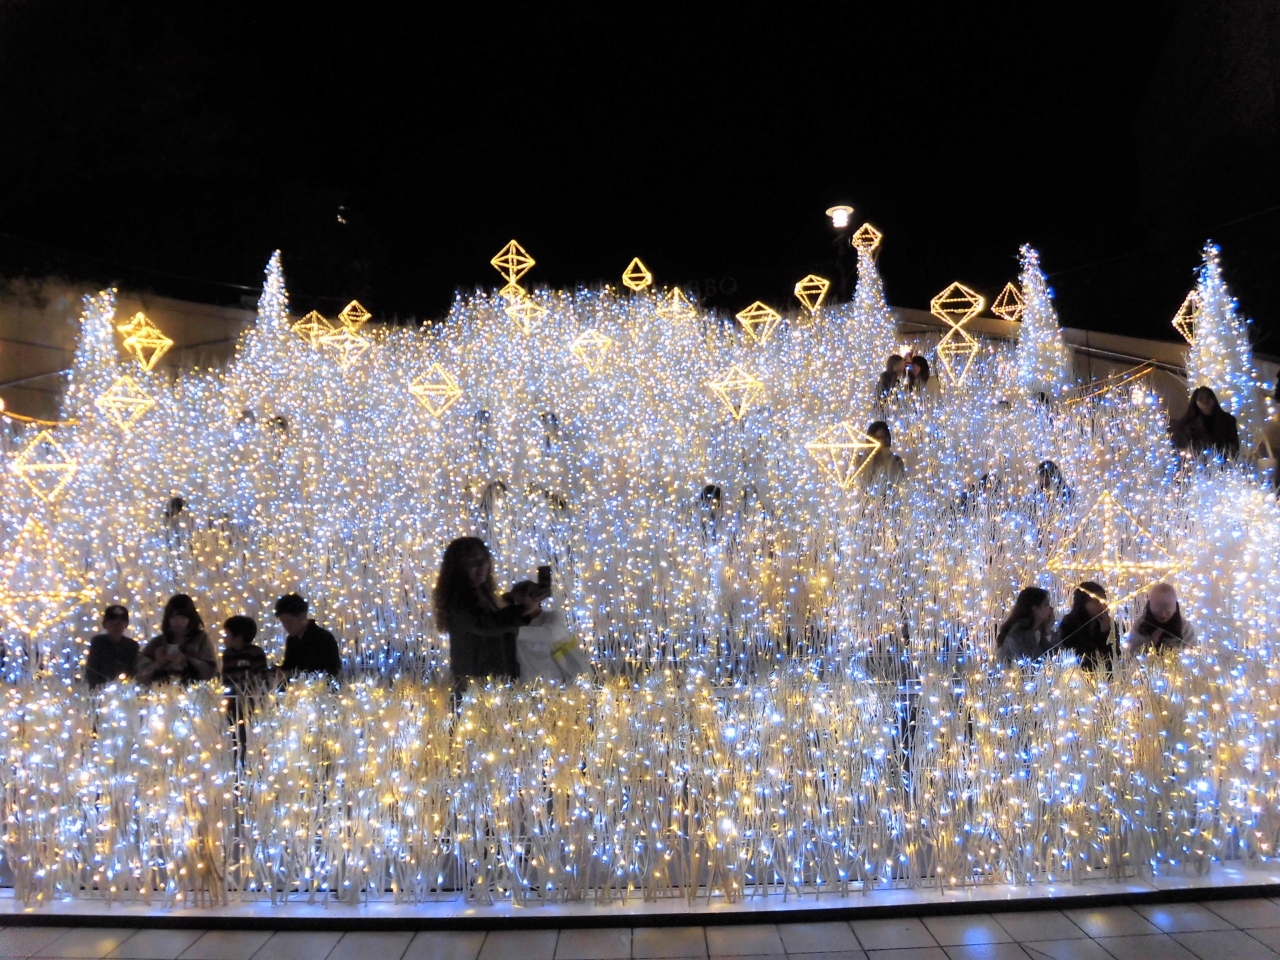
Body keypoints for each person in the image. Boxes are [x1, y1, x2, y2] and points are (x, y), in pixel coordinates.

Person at [434, 537, 547, 687]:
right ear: (459, 567)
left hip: (491, 680)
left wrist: (516, 598)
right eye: (473, 562)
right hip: (477, 682)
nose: (481, 566)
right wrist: (523, 609)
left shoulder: (479, 592)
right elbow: (485, 624)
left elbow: (493, 617)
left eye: (484, 560)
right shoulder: (459, 598)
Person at [135, 594, 219, 685]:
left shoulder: (201, 639)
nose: (177, 622)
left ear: (190, 618)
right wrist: (158, 664)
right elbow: (139, 673)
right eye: (173, 617)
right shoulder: (158, 642)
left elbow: (211, 671)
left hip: (193, 687)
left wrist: (186, 661)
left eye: (182, 617)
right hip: (162, 687)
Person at [274, 594, 342, 679]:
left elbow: (327, 672)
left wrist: (291, 674)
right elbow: (288, 667)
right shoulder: (292, 640)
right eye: (283, 622)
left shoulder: (323, 638)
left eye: (289, 621)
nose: (286, 626)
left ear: (303, 616)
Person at [1055, 581, 1113, 671]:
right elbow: (1079, 654)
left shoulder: (1109, 623)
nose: (1103, 605)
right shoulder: (1070, 623)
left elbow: (1113, 655)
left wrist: (1105, 631)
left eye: (1104, 600)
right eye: (1096, 601)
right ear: (1082, 603)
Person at [1126, 583, 1198, 654]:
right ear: (1149, 605)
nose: (1163, 615)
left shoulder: (1186, 629)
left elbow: (1193, 655)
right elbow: (1131, 655)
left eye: (1168, 609)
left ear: (1176, 607)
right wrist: (1151, 645)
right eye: (1158, 608)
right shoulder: (1140, 627)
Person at [1172, 386, 1240, 459]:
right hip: (1197, 461)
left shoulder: (1227, 420)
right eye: (1201, 399)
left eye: (1208, 397)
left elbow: (1233, 444)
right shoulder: (1187, 422)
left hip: (1223, 460)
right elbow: (1181, 446)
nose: (1205, 401)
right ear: (1195, 402)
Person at [995, 587, 1056, 664]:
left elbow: (1058, 656)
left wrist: (1047, 631)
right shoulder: (1018, 635)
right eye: (1046, 605)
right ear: (1035, 610)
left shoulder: (1038, 631)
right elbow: (1036, 663)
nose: (1051, 609)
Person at [84, 604, 139, 689]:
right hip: (100, 687)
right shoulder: (98, 642)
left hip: (124, 688)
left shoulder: (132, 646)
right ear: (105, 625)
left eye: (119, 623)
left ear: (126, 625)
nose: (116, 627)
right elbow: (92, 669)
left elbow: (133, 670)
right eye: (112, 623)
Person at [221, 615, 269, 690]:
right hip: (232, 693)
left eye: (226, 634)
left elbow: (260, 677)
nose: (224, 638)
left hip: (252, 693)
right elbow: (226, 677)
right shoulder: (228, 654)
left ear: (238, 637)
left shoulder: (255, 653)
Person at [860, 421, 907, 486]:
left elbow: (896, 481)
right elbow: (863, 481)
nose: (882, 441)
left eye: (884, 438)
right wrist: (871, 452)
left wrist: (886, 453)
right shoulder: (860, 459)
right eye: (878, 438)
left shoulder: (897, 460)